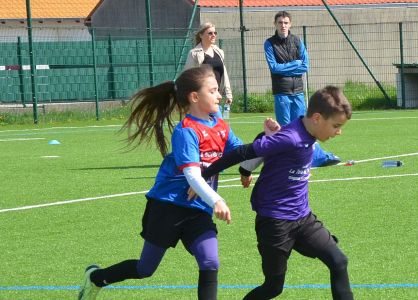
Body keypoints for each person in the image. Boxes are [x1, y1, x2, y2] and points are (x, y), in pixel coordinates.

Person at [78, 65, 260, 300]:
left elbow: (244, 154)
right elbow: (192, 175)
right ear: (195, 97)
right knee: (145, 269)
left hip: (197, 210)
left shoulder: (220, 126)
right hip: (168, 207)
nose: (220, 95)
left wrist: (267, 139)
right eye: (213, 90)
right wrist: (216, 199)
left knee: (210, 260)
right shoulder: (186, 131)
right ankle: (96, 278)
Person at [201, 86, 354, 300]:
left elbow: (269, 147)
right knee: (273, 287)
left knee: (339, 261)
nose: (339, 132)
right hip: (275, 223)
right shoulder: (291, 138)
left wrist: (246, 169)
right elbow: (245, 151)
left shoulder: (304, 130)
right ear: (318, 118)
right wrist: (204, 176)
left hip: (303, 218)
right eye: (336, 126)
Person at [264, 11, 341, 167]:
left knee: (306, 127)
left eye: (286, 23)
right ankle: (285, 161)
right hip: (281, 92)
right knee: (284, 129)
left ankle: (317, 158)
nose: (283, 25)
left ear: (290, 24)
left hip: (298, 92)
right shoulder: (269, 43)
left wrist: (290, 67)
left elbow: (305, 66)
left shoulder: (297, 41)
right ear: (275, 24)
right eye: (280, 22)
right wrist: (295, 64)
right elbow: (274, 67)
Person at [184, 22, 233, 119]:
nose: (213, 35)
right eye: (210, 33)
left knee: (217, 126)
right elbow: (188, 76)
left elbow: (224, 73)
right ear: (201, 35)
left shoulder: (219, 52)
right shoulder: (194, 54)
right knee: (217, 126)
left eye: (215, 33)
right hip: (202, 98)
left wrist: (228, 93)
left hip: (215, 96)